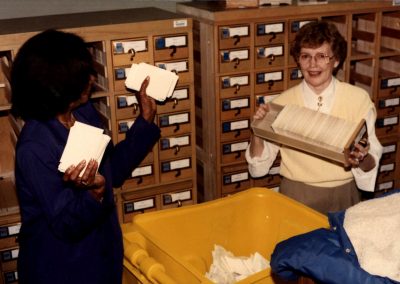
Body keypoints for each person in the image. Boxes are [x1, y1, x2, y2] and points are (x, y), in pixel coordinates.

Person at [11, 29, 160, 284]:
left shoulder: (83, 113)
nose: (92, 78)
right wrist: (94, 193)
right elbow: (66, 225)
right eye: (83, 74)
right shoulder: (35, 147)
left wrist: (144, 120)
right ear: (58, 87)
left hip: (101, 259)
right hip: (62, 270)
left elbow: (114, 168)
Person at [246, 21, 383, 215]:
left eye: (321, 56)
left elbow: (370, 163)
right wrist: (257, 132)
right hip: (296, 197)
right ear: (298, 60)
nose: (312, 64)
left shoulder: (358, 100)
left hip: (344, 197)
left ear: (335, 61)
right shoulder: (282, 103)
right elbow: (257, 170)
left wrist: (362, 158)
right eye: (306, 56)